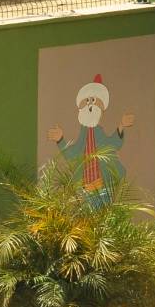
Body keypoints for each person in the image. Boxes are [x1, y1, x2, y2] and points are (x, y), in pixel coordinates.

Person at [46, 74, 134, 208]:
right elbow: (72, 154)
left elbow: (113, 145)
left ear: (102, 107)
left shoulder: (99, 132)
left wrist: (121, 126)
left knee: (103, 213)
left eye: (93, 100)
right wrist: (60, 140)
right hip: (85, 187)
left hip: (103, 184)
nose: (90, 105)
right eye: (87, 101)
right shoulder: (83, 134)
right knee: (87, 214)